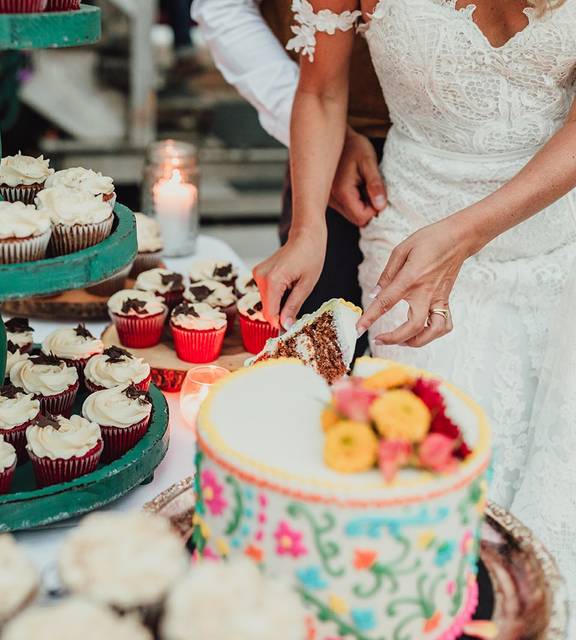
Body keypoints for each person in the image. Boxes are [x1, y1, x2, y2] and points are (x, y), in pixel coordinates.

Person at [252, 0, 576, 607]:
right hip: (408, 241)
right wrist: (308, 231)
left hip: (559, 247)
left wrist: (464, 235)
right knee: (416, 504)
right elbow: (322, 93)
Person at [194, 0, 389, 355]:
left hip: (486, 178)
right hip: (324, 149)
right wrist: (322, 142)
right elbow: (223, 6)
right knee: (321, 360)